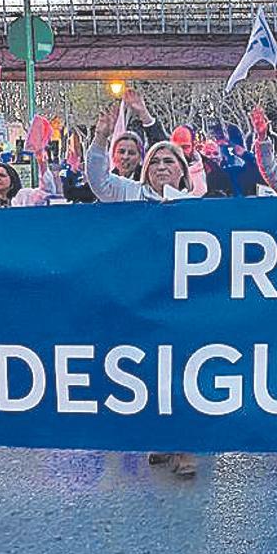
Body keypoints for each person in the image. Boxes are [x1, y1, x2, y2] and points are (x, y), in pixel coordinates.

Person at [88, 98, 196, 476]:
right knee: (150, 368)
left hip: (183, 301)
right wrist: (101, 138)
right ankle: (160, 436)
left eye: (170, 161)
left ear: (183, 172)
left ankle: (186, 446)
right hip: (140, 298)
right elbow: (97, 179)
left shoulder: (195, 205)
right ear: (145, 171)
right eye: (155, 162)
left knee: (183, 369)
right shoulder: (128, 194)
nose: (162, 167)